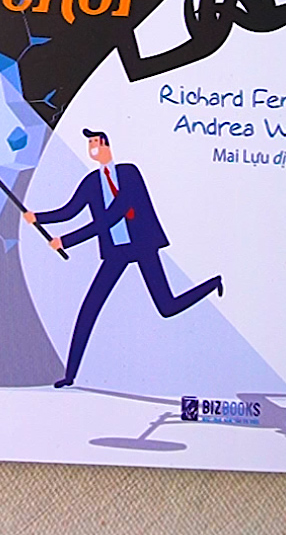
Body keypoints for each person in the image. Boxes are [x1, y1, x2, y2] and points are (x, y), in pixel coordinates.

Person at [25, 128, 223, 388]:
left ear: (106, 145)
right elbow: (69, 211)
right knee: (89, 308)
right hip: (116, 251)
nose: (92, 148)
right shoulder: (91, 182)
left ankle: (212, 284)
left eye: (95, 142)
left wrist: (66, 240)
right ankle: (70, 375)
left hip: (142, 244)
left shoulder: (129, 174)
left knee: (167, 306)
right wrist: (38, 217)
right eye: (89, 144)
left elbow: (112, 216)